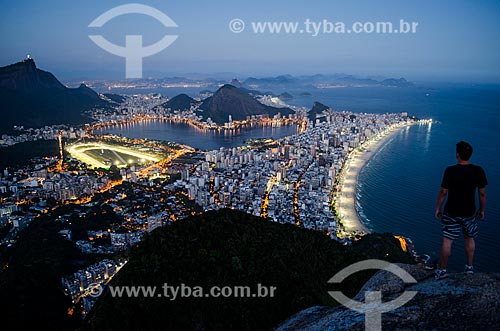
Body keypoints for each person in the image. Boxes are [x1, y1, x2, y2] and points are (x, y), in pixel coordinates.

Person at [434, 141, 487, 280]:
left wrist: (438, 208)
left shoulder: (450, 170)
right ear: (470, 155)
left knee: (447, 241)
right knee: (469, 239)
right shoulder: (478, 171)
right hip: (469, 212)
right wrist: (482, 210)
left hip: (451, 211)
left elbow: (443, 192)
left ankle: (442, 270)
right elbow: (482, 194)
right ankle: (469, 268)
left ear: (457, 154)